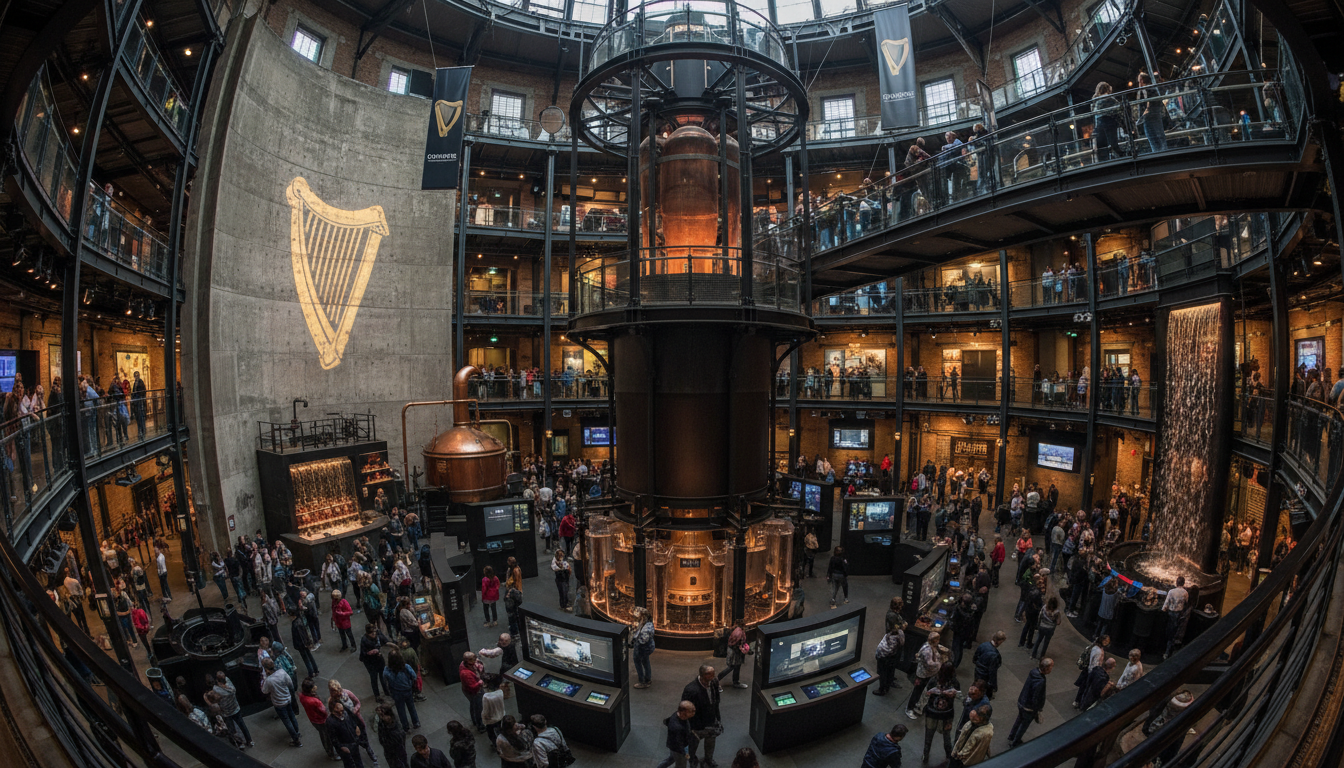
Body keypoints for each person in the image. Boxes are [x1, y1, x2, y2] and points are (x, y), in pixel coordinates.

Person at [681, 665, 722, 768]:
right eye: (710, 675)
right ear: (703, 675)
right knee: (693, 745)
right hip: (696, 725)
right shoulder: (691, 690)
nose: (713, 677)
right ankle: (693, 760)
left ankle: (708, 759)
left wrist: (717, 717)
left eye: (714, 674)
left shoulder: (713, 682)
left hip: (711, 721)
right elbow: (685, 708)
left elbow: (716, 699)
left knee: (711, 742)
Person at [921, 662, 960, 764]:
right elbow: (960, 696)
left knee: (928, 736)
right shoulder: (955, 682)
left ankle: (925, 756)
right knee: (946, 736)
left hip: (932, 712)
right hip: (947, 714)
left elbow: (925, 694)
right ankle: (949, 756)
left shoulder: (934, 680)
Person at [1008, 658, 1052, 747]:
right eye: (1051, 667)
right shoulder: (1041, 681)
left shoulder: (1033, 671)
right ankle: (1015, 742)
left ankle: (1011, 736)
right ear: (1046, 668)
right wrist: (1037, 710)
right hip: (1028, 707)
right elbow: (1035, 697)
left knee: (1019, 719)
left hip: (1021, 701)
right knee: (1024, 725)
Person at [261, 658, 302, 747]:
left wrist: (265, 678)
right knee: (292, 715)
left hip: (279, 703)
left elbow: (264, 691)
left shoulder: (269, 680)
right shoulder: (282, 672)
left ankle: (296, 739)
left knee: (286, 720)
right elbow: (290, 684)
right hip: (287, 698)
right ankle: (297, 732)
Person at [905, 631, 943, 720]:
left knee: (921, 690)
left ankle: (916, 704)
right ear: (935, 640)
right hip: (923, 674)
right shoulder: (927, 650)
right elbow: (930, 664)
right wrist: (939, 663)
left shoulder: (931, 646)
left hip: (928, 674)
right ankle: (910, 708)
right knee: (917, 691)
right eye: (938, 639)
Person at [381, 649, 421, 731]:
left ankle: (405, 727)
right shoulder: (406, 667)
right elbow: (414, 676)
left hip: (396, 693)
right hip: (408, 691)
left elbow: (384, 680)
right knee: (411, 707)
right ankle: (416, 722)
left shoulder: (387, 670)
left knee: (401, 710)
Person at [213, 670, 253, 748]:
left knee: (232, 729)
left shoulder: (216, 689)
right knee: (242, 725)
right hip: (235, 708)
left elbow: (216, 699)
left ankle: (239, 743)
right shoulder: (228, 681)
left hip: (227, 712)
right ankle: (249, 741)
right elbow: (232, 689)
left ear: (217, 680)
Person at [299, 679, 336, 760]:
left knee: (323, 734)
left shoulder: (302, 696)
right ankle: (331, 754)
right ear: (311, 689)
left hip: (313, 719)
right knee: (327, 737)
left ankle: (330, 752)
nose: (316, 687)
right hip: (321, 720)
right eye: (314, 686)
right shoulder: (315, 701)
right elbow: (324, 711)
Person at [657, 701, 696, 768]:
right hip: (678, 749)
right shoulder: (677, 728)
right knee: (681, 765)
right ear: (683, 713)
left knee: (671, 759)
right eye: (691, 711)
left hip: (674, 746)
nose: (693, 713)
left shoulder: (677, 714)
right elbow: (679, 744)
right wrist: (685, 754)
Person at [327, 699, 364, 768]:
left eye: (341, 710)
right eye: (337, 710)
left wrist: (356, 727)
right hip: (345, 746)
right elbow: (332, 738)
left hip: (354, 741)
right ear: (332, 710)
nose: (341, 713)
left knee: (358, 760)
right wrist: (341, 747)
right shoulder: (330, 722)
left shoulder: (345, 713)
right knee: (349, 764)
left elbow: (352, 720)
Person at [873, 624, 905, 696]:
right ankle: (888, 685)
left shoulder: (891, 639)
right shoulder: (901, 634)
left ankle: (882, 690)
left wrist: (878, 655)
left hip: (884, 658)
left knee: (882, 673)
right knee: (889, 672)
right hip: (893, 658)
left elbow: (885, 649)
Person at [972, 631, 1006, 699]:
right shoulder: (995, 655)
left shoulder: (983, 645)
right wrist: (994, 686)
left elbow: (974, 659)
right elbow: (992, 672)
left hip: (977, 672)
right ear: (999, 641)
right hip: (985, 677)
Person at [360, 623, 390, 697]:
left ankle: (386, 691)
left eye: (374, 632)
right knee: (374, 677)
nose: (374, 634)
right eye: (371, 633)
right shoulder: (364, 640)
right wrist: (372, 652)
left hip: (378, 658)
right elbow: (364, 653)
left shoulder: (378, 633)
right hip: (369, 661)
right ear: (367, 633)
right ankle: (377, 695)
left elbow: (386, 641)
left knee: (382, 675)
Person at [1163, 576, 1190, 658]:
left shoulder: (1171, 591)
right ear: (1183, 583)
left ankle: (1167, 652)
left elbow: (1166, 604)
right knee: (1176, 633)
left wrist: (1163, 610)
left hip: (1171, 613)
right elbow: (1186, 602)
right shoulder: (1185, 593)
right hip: (1179, 615)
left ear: (1176, 582)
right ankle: (1171, 652)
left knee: (1169, 633)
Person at [374, 704, 408, 768]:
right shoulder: (382, 723)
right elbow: (381, 736)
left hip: (398, 753)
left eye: (382, 715)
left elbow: (401, 740)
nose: (381, 717)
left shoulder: (396, 729)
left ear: (389, 715)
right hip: (389, 753)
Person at [459, 651, 486, 732]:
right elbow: (472, 686)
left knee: (473, 705)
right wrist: (480, 682)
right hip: (474, 692)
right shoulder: (466, 673)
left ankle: (475, 720)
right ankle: (480, 725)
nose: (475, 662)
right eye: (473, 661)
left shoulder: (463, 664)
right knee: (479, 708)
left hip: (468, 690)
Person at [718, 623, 749, 689]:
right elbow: (737, 645)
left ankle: (736, 682)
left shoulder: (736, 630)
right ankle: (717, 679)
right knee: (731, 667)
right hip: (735, 654)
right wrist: (744, 650)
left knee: (736, 667)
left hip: (732, 652)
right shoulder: (740, 634)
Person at [631, 607, 656, 688]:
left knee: (638, 661)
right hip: (647, 647)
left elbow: (643, 640)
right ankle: (648, 679)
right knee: (645, 662)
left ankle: (642, 681)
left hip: (642, 648)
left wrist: (635, 639)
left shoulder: (646, 628)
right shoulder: (647, 622)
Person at [1033, 596, 1062, 661]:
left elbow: (1040, 616)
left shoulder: (1044, 608)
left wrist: (1038, 625)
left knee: (1038, 640)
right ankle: (1042, 656)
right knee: (1046, 643)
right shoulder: (1057, 612)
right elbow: (1058, 622)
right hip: (1050, 629)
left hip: (1042, 627)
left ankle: (1033, 654)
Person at [291, 612, 319, 678]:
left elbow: (297, 636)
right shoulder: (301, 620)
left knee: (306, 658)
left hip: (301, 644)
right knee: (309, 655)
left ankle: (311, 672)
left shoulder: (295, 624)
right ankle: (315, 669)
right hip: (306, 642)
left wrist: (297, 645)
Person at [481, 673, 506, 743]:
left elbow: (485, 711)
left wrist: (484, 721)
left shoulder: (486, 696)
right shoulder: (500, 692)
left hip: (491, 720)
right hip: (501, 716)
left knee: (492, 734)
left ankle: (496, 745)